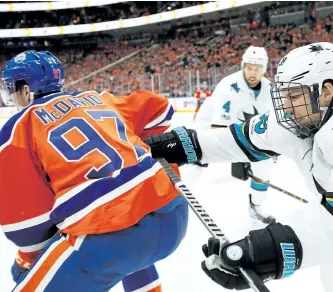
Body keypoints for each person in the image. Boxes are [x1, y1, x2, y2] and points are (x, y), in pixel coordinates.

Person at [145, 42, 333, 291]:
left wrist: (275, 248)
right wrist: (189, 144)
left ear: (326, 92)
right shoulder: (303, 115)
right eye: (284, 96)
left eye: (294, 96)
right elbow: (247, 137)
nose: (286, 108)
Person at [0, 50, 188, 291]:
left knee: (108, 225)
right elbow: (161, 111)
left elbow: (27, 222)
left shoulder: (17, 130)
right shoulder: (99, 98)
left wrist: (28, 261)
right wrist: (136, 146)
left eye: (11, 89)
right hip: (173, 214)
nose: (11, 97)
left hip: (111, 239)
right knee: (128, 211)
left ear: (26, 90)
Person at [192, 46, 275, 229]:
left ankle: (256, 206)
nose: (253, 73)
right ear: (243, 66)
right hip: (209, 127)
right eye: (249, 67)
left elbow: (270, 125)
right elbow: (220, 130)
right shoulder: (229, 87)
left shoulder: (269, 89)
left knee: (265, 162)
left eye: (258, 68)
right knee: (196, 160)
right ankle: (174, 199)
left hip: (243, 132)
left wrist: (270, 148)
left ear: (264, 68)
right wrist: (239, 159)